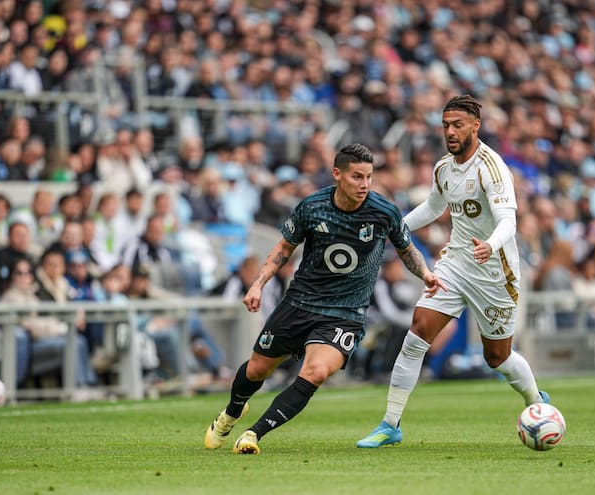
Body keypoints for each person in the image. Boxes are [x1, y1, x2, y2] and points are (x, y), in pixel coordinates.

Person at [203, 143, 445, 455]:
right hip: (299, 304)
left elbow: (406, 247)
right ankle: (232, 413)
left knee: (315, 373)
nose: (364, 184)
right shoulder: (312, 207)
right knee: (257, 370)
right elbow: (283, 249)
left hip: (345, 313)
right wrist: (257, 284)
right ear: (337, 174)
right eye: (357, 177)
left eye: (369, 177)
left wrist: (424, 273)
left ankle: (253, 434)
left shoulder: (383, 211)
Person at [356, 95, 549, 449]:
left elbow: (509, 220)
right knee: (417, 332)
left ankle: (537, 402)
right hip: (456, 262)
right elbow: (433, 207)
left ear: (476, 125)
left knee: (498, 357)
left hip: (494, 271)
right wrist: (395, 227)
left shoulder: (492, 168)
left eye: (458, 125)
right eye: (445, 125)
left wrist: (490, 245)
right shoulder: (444, 167)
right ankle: (390, 424)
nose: (450, 131)